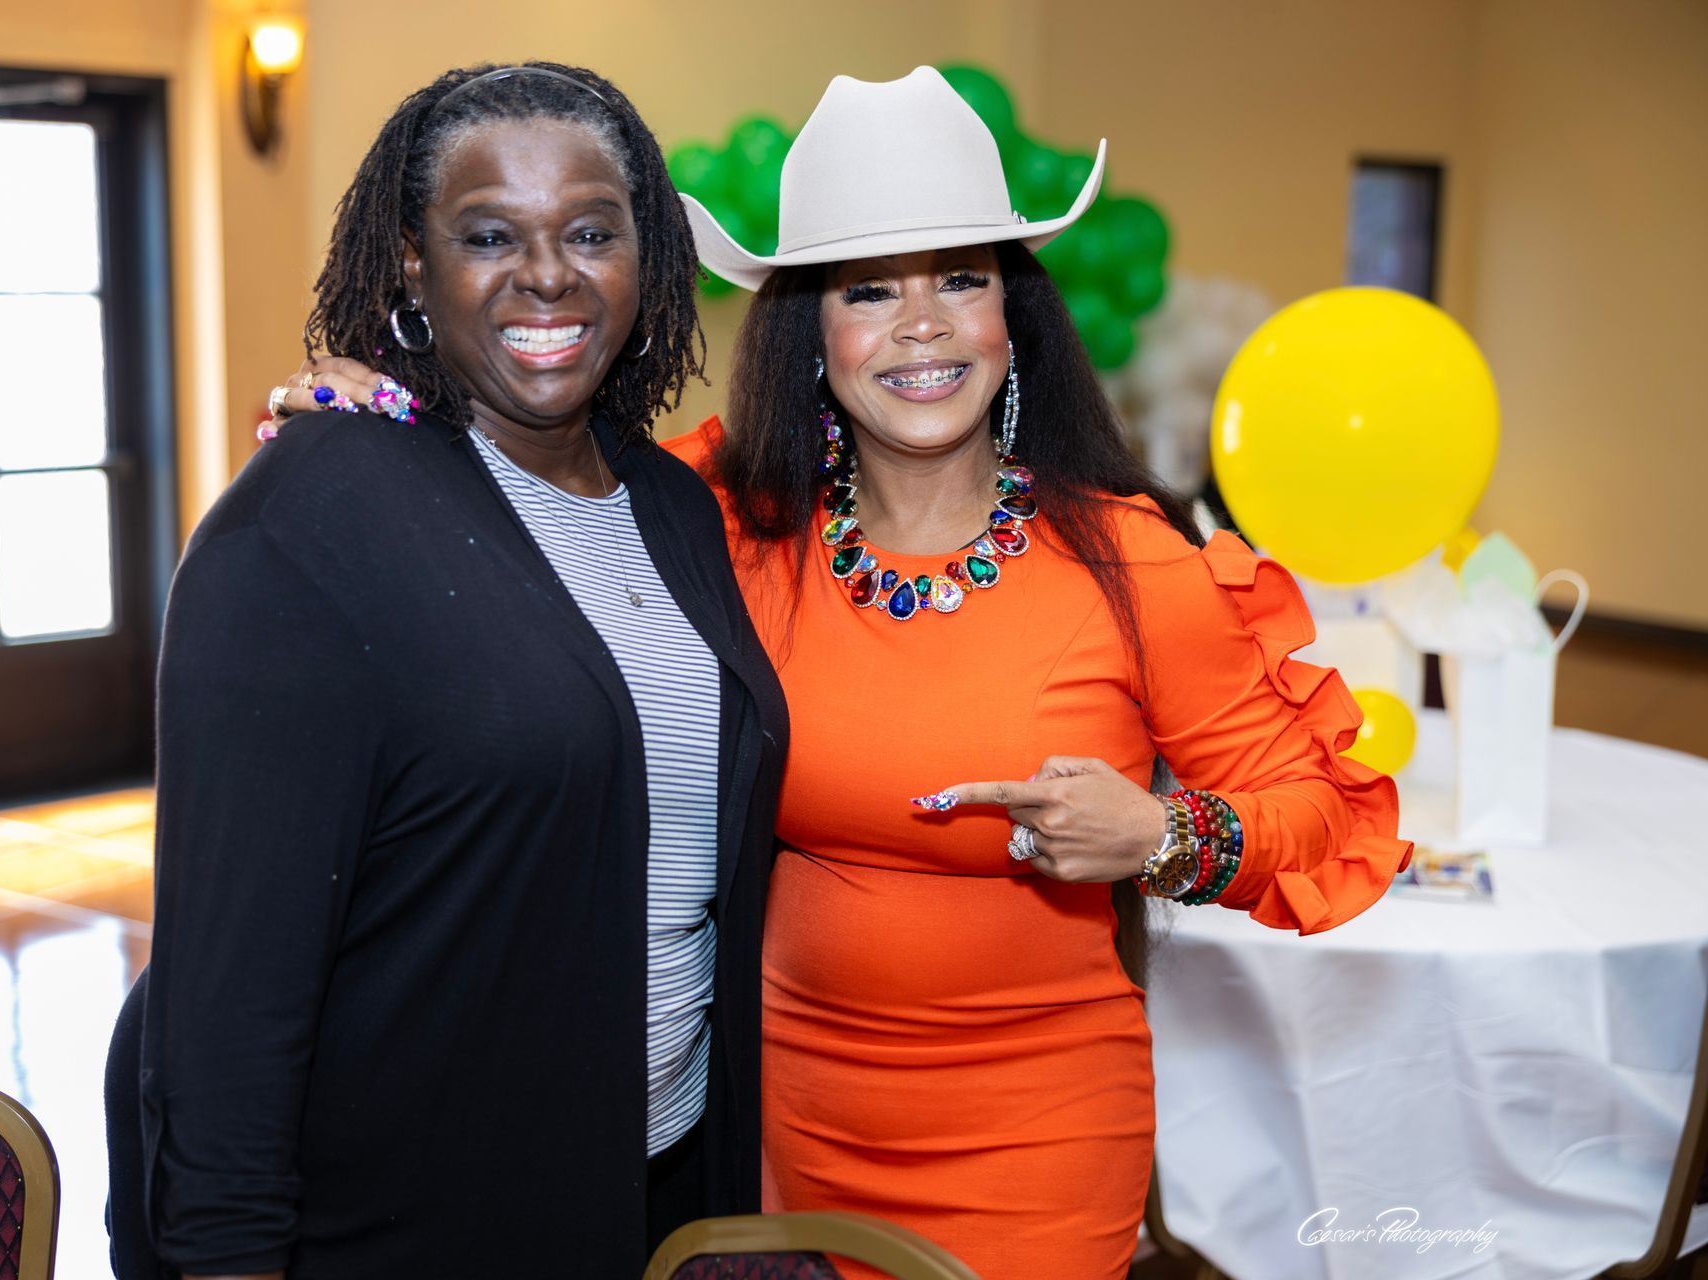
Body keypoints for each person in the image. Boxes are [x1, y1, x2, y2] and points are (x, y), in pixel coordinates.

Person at [271, 67, 1410, 1280]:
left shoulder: (1131, 561)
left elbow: (1336, 821)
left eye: (960, 279)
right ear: (812, 332)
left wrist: (1160, 836)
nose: (921, 325)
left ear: (1010, 316)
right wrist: (391, 412)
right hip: (780, 1128)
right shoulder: (726, 521)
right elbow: (534, 477)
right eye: (870, 291)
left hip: (1037, 1141)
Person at [104, 62, 787, 1279]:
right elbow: (224, 1013)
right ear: (412, 265)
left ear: (647, 256)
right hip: (406, 1226)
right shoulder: (314, 516)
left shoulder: (676, 505)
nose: (548, 274)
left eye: (592, 230)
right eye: (488, 234)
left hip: (653, 1192)